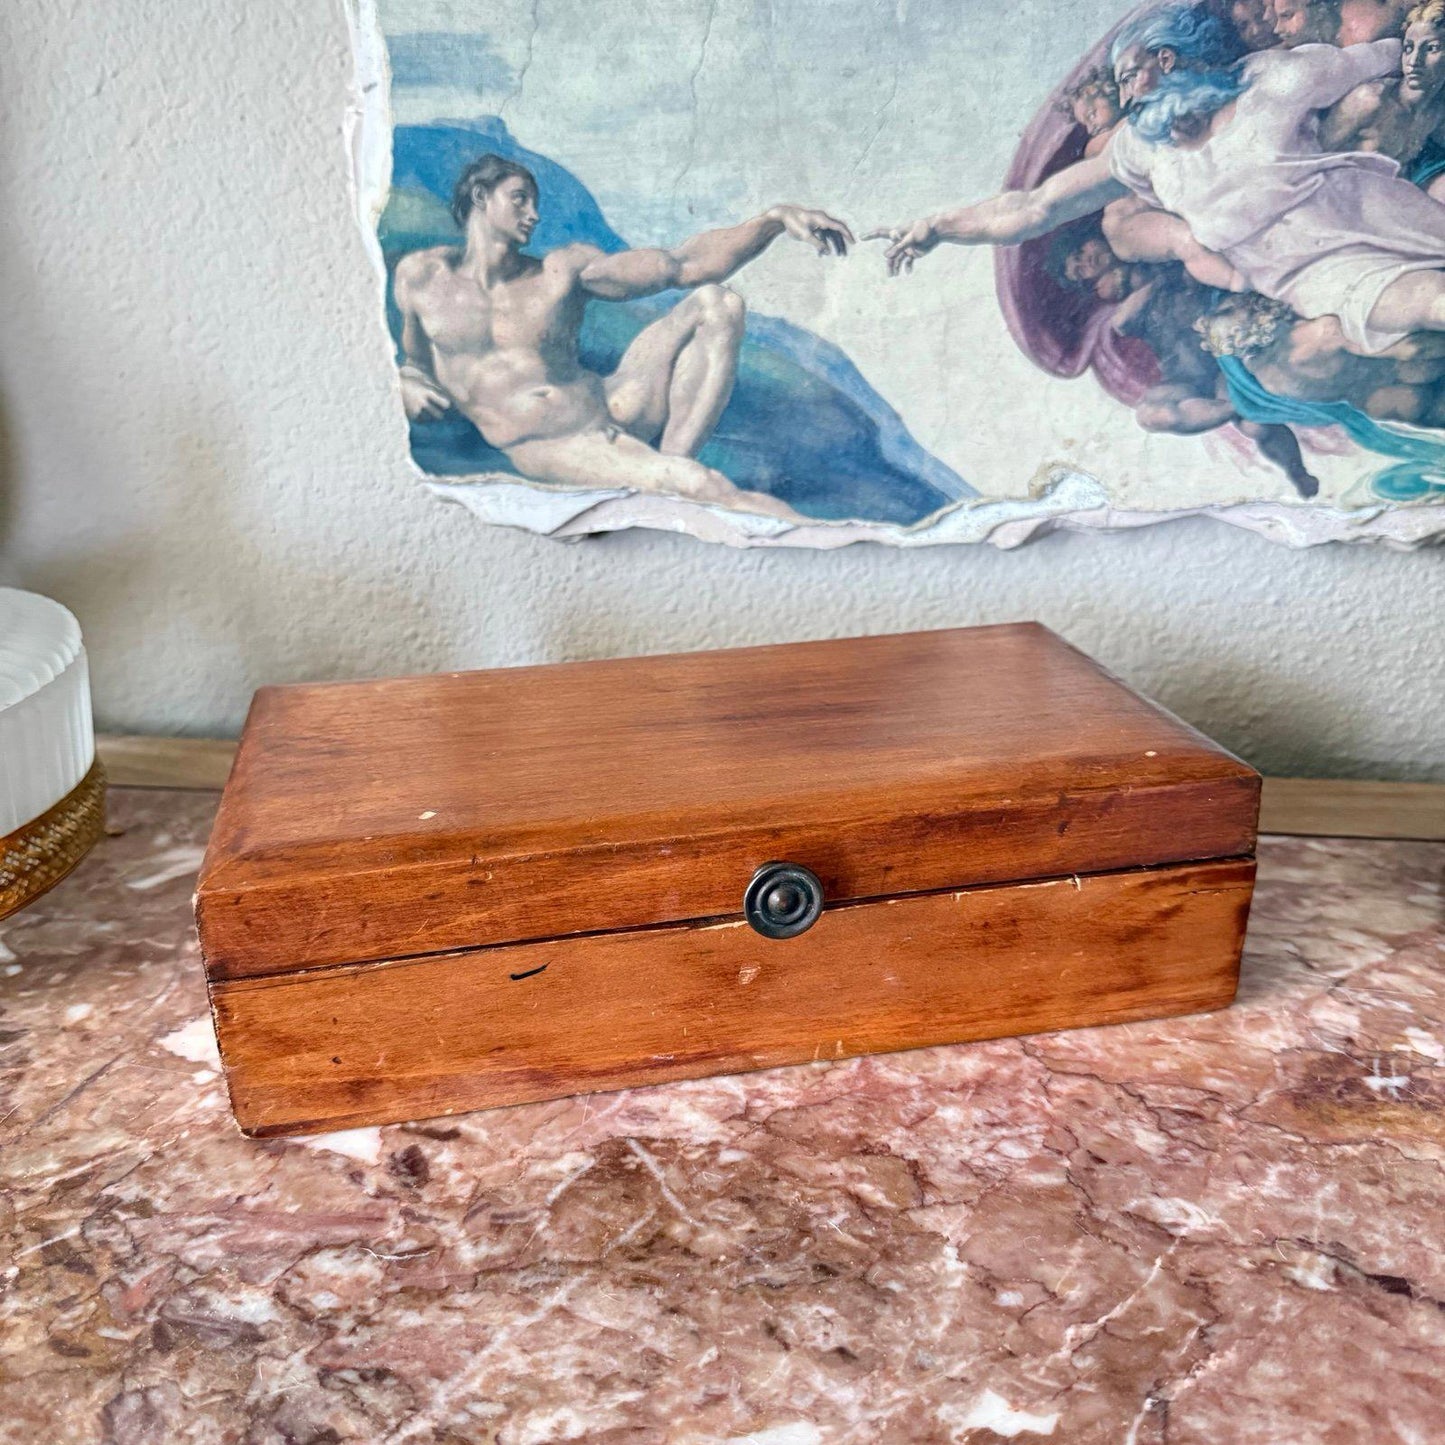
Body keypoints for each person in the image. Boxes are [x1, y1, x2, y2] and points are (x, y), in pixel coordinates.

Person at [869, 2, 1445, 356]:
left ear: (1165, 62)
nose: (1122, 98)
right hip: (1315, 275)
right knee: (1434, 304)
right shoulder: (1138, 151)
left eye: (1126, 79)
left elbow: (1391, 55)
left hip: (1374, 213)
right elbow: (1034, 207)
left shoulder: (1275, 80)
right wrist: (938, 225)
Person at [393, 154, 855, 521]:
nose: (533, 214)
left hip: (612, 404)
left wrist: (772, 220)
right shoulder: (420, 276)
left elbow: (682, 265)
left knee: (717, 302)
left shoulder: (561, 271)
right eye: (520, 199)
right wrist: (404, 381)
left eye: (535, 203)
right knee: (704, 486)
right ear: (480, 196)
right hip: (555, 443)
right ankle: (683, 484)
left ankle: (673, 479)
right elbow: (414, 362)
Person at [1323, 0, 1445, 197]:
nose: (1414, 61)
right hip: (1342, 200)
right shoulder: (1369, 100)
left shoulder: (1437, 112)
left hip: (1391, 202)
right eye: (1408, 48)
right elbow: (1316, 154)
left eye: (1430, 48)